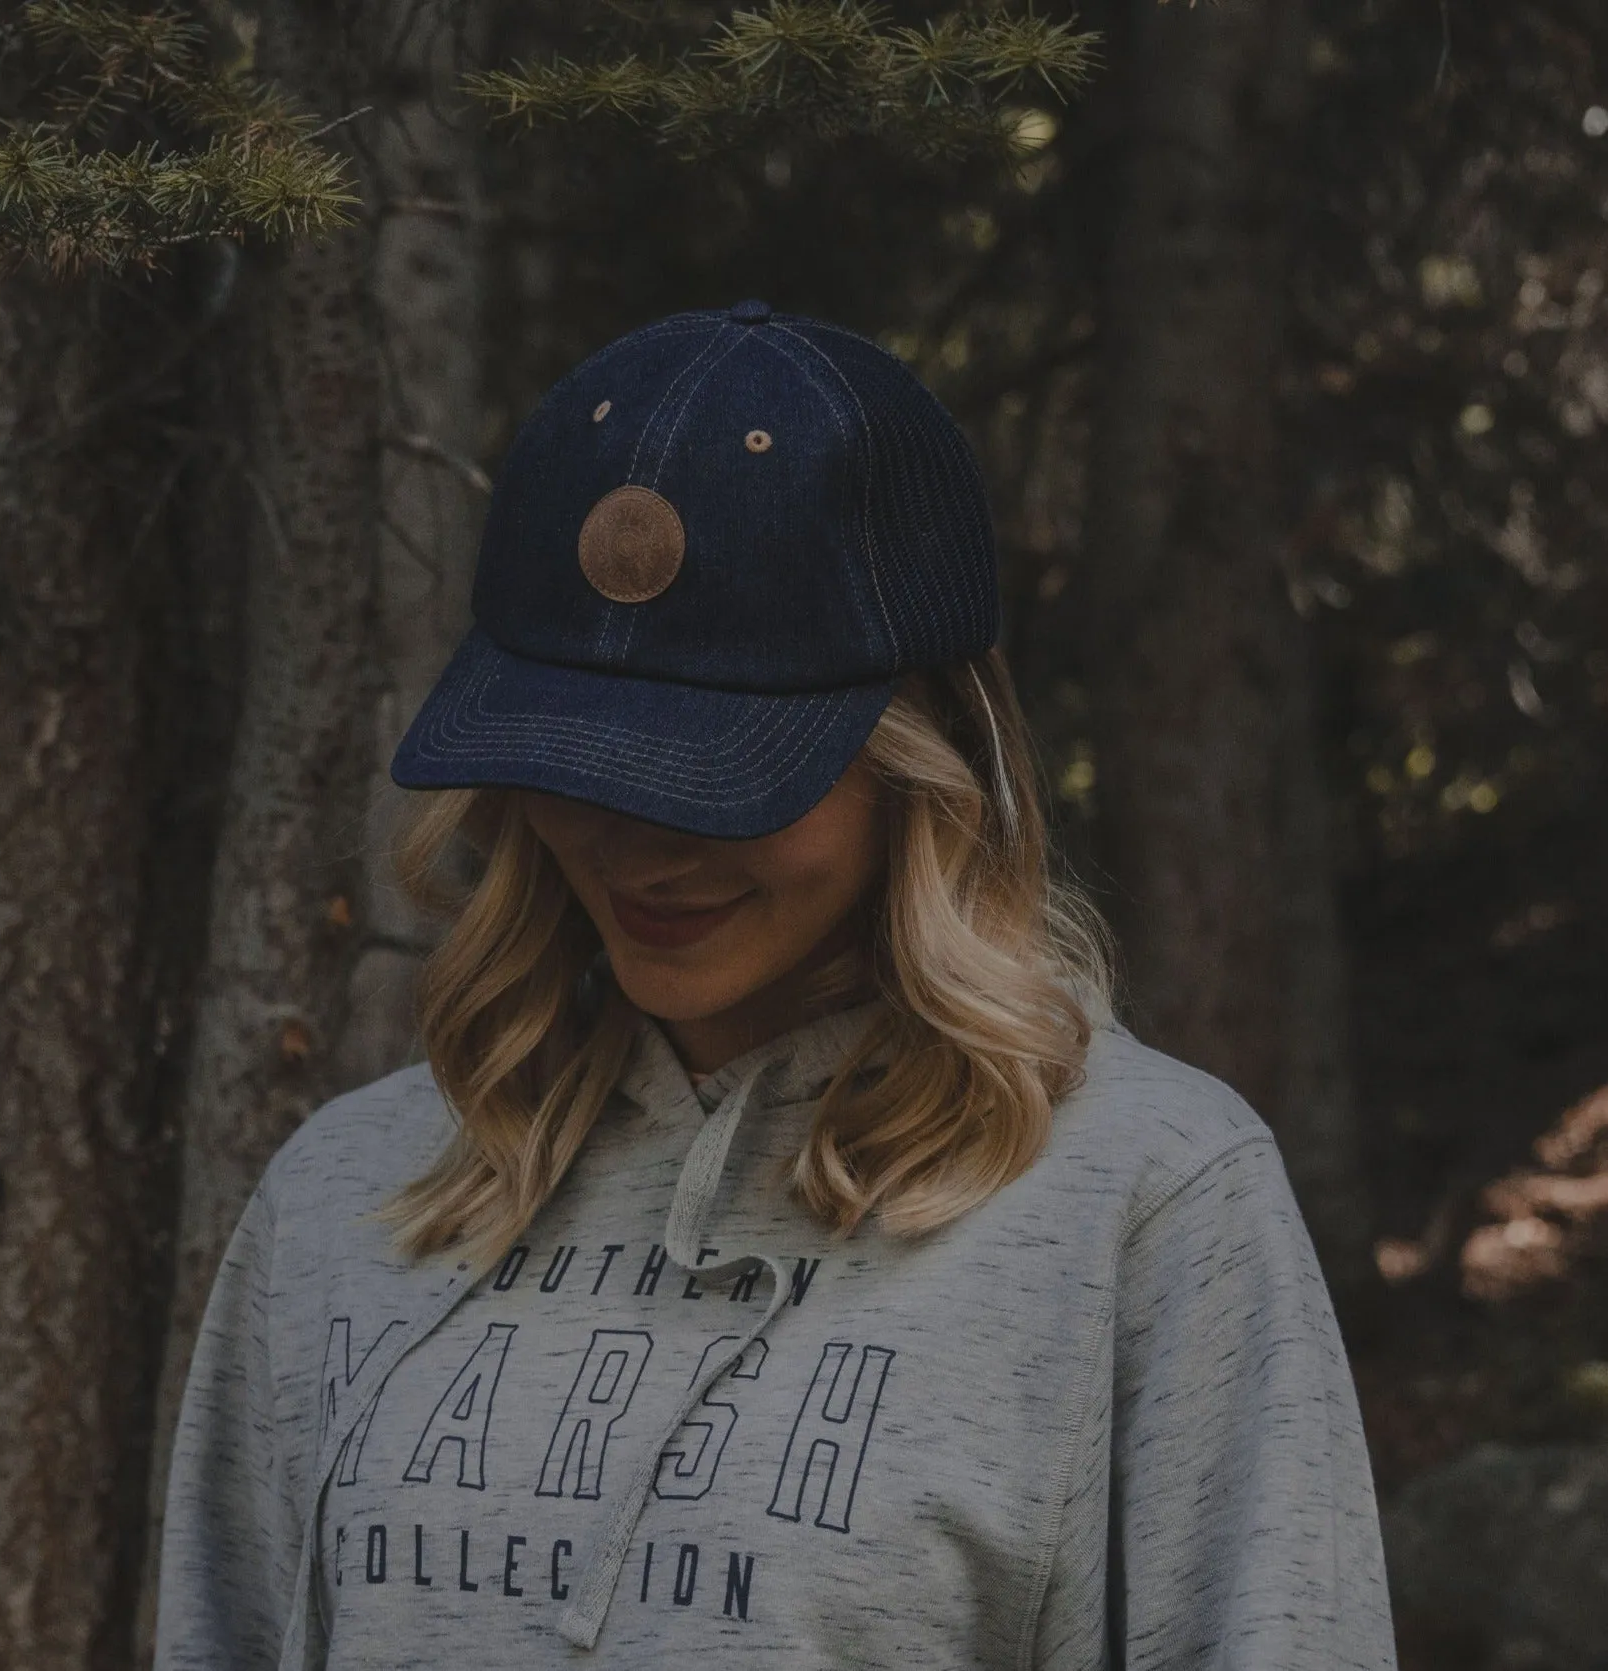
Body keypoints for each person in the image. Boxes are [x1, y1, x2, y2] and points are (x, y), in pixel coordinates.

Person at [152, 299, 1398, 1670]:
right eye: (577, 759)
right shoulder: (350, 1188)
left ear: (922, 759)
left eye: (716, 774)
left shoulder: (1147, 1201)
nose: (636, 842)